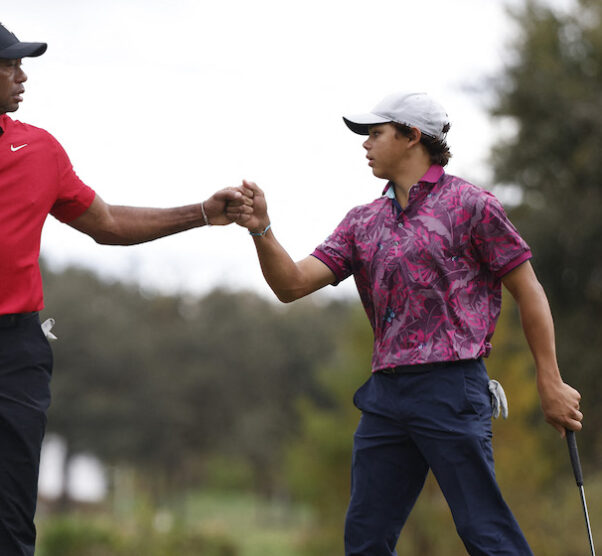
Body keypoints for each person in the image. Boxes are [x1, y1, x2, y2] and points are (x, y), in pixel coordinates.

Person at [0, 17, 245, 556]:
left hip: (18, 353)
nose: (21, 75)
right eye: (8, 64)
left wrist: (200, 213)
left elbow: (107, 224)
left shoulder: (42, 150)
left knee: (10, 529)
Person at [236, 91, 583, 555]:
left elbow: (528, 290)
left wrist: (550, 379)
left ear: (412, 137)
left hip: (452, 387)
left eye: (375, 134)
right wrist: (262, 228)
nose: (365, 145)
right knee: (365, 539)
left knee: (484, 531)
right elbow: (292, 285)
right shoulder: (363, 222)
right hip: (386, 395)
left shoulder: (471, 204)